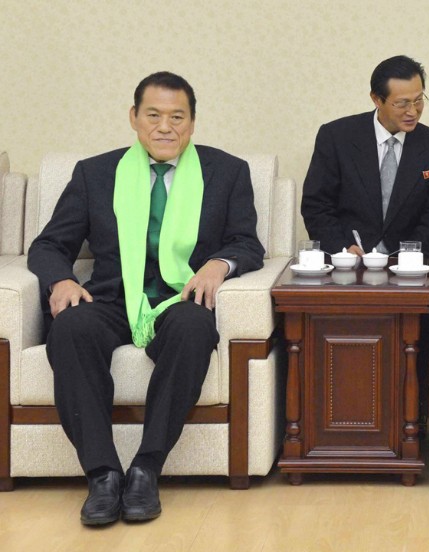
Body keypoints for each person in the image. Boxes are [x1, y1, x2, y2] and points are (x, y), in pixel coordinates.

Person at [27, 71, 265, 526]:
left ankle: (145, 469)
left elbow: (246, 242)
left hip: (180, 297)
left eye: (178, 117)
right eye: (153, 115)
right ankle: (102, 475)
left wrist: (219, 264)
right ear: (134, 118)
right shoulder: (95, 173)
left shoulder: (227, 172)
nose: (165, 127)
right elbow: (48, 246)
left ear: (192, 124)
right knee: (72, 326)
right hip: (113, 299)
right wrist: (61, 281)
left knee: (196, 327)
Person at [302, 55, 429, 258]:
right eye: (402, 103)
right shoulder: (336, 137)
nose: (413, 111)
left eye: (418, 100)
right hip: (346, 260)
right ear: (376, 99)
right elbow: (317, 205)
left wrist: (410, 255)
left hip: (410, 265)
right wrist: (341, 248)